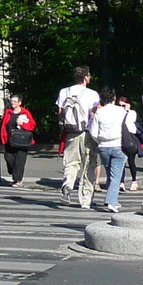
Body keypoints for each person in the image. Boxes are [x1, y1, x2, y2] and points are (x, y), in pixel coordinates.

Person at [56, 66, 101, 206]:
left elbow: (60, 112)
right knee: (88, 165)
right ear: (86, 77)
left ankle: (68, 184)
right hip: (87, 133)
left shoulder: (64, 91)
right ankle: (86, 200)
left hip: (71, 132)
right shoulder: (92, 94)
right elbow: (93, 114)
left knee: (70, 163)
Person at [89, 89, 129, 213]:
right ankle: (111, 201)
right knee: (116, 176)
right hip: (118, 145)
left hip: (103, 147)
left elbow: (93, 132)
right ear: (114, 98)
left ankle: (113, 200)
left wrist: (99, 140)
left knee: (110, 174)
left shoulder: (99, 113)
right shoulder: (121, 111)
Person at [0, 95, 37, 187]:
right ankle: (14, 174)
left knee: (20, 161)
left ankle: (18, 180)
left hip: (22, 140)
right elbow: (4, 125)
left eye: (15, 101)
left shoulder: (25, 112)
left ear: (19, 103)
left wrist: (23, 124)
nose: (13, 103)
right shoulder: (8, 112)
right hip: (10, 139)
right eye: (12, 101)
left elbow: (32, 125)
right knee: (8, 158)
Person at [117, 94, 143, 190]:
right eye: (119, 105)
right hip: (121, 138)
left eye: (123, 105)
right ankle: (121, 182)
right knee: (122, 161)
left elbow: (131, 126)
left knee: (131, 160)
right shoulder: (117, 113)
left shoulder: (132, 113)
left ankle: (134, 180)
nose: (121, 108)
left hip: (130, 139)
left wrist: (126, 111)